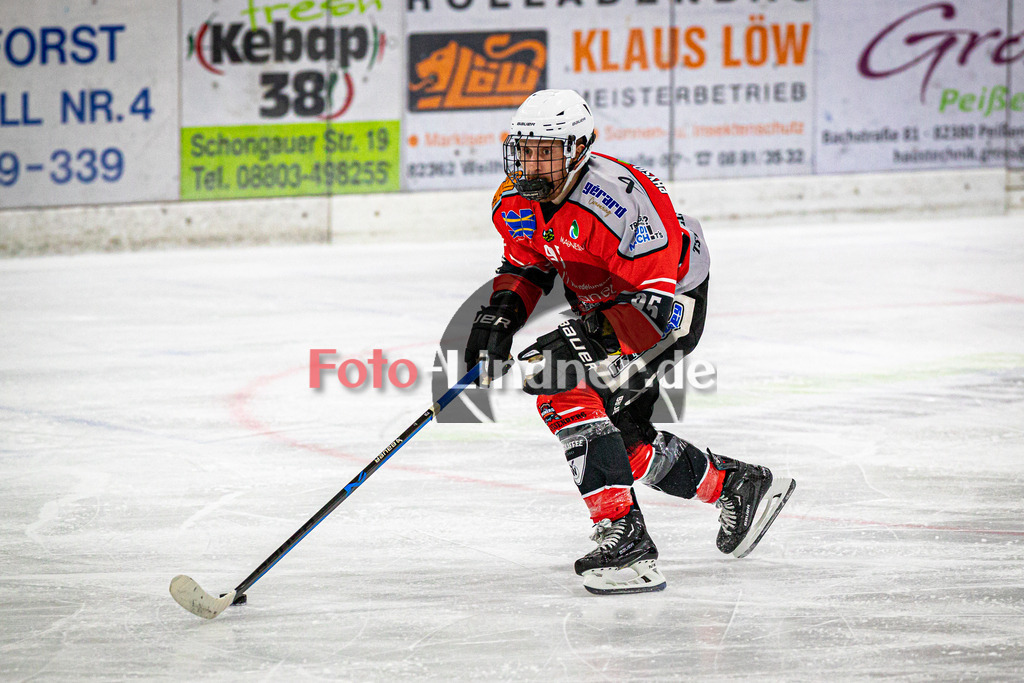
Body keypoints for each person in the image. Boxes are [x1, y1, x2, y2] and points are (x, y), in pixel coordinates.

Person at [463, 89, 796, 595]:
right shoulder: (512, 200)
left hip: (669, 306)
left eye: (545, 152)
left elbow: (656, 316)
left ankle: (627, 540)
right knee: (625, 440)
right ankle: (736, 486)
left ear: (579, 149)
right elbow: (527, 264)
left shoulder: (624, 204)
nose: (530, 163)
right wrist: (499, 317)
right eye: (524, 149)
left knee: (557, 383)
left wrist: (575, 342)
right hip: (602, 302)